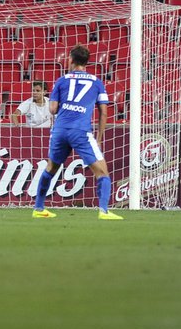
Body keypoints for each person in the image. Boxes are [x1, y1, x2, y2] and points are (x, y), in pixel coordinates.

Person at [32, 45, 122, 220]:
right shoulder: (96, 82)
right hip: (81, 131)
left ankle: (38, 208)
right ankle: (104, 211)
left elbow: (52, 109)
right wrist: (99, 138)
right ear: (86, 62)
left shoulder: (61, 80)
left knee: (50, 168)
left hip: (60, 130)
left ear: (71, 60)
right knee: (102, 172)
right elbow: (104, 112)